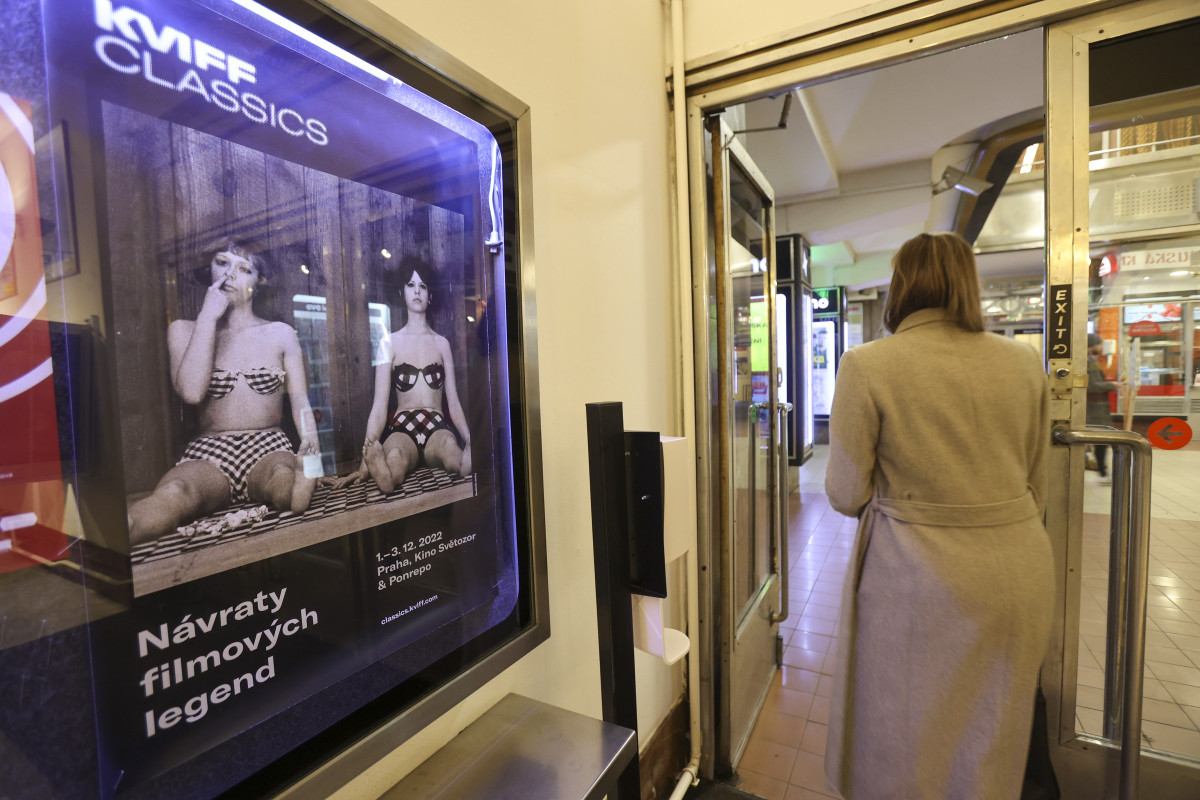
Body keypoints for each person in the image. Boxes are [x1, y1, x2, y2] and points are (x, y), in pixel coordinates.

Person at [823, 232, 1053, 800]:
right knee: (992, 733)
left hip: (917, 576)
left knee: (907, 731)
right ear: (967, 283)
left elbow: (846, 493)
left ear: (900, 286)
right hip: (1019, 567)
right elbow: (1038, 483)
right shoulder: (1024, 363)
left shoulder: (868, 364)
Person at [128, 242, 319, 545]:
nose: (230, 275)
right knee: (175, 492)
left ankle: (299, 488)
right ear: (209, 269)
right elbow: (192, 393)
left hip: (268, 444)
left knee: (281, 479)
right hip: (209, 453)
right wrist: (207, 316)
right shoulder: (183, 330)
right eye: (222, 263)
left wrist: (312, 455)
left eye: (244, 269)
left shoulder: (280, 333)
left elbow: (300, 403)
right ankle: (119, 538)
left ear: (259, 281)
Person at [354, 256, 471, 493]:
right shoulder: (389, 343)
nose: (417, 291)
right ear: (402, 292)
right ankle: (385, 475)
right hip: (402, 426)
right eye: (411, 285)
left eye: (423, 286)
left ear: (430, 295)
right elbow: (379, 406)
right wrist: (365, 458)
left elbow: (454, 403)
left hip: (436, 425)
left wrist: (468, 439)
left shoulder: (442, 344)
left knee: (451, 450)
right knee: (396, 457)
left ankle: (463, 458)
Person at [1086, 332, 1120, 479]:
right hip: (1094, 409)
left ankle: (1101, 468)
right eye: (1099, 344)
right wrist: (1112, 385)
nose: (1101, 348)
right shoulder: (1087, 362)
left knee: (1100, 439)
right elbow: (1091, 385)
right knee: (1101, 438)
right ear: (1092, 345)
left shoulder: (1090, 361)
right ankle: (1102, 469)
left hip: (1095, 407)